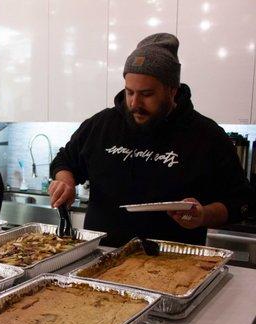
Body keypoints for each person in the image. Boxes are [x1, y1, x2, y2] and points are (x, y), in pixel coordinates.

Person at [48, 33, 253, 247]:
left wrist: (203, 215)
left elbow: (242, 202)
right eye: (129, 92)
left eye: (146, 94)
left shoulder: (206, 135)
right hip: (100, 262)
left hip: (174, 266)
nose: (135, 103)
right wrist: (65, 182)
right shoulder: (101, 125)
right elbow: (65, 161)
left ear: (172, 90)